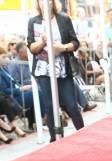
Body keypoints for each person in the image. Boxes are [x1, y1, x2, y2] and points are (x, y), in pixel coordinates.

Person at [27, 0, 84, 142]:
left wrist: (63, 47)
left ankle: (83, 134)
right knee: (50, 105)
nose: (45, 3)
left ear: (53, 2)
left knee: (71, 104)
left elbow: (75, 43)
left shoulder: (63, 19)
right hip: (43, 69)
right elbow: (31, 47)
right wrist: (42, 42)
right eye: (41, 1)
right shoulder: (33, 21)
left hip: (63, 67)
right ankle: (55, 138)